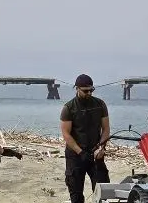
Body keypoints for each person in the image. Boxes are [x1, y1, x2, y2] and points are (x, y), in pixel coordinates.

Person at [61, 74, 111, 203]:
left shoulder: (100, 104)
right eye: (85, 91)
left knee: (103, 190)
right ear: (77, 88)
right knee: (76, 194)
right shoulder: (68, 108)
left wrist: (101, 148)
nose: (89, 93)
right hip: (75, 155)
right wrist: (80, 152)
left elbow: (106, 129)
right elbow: (66, 134)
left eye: (91, 90)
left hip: (95, 152)